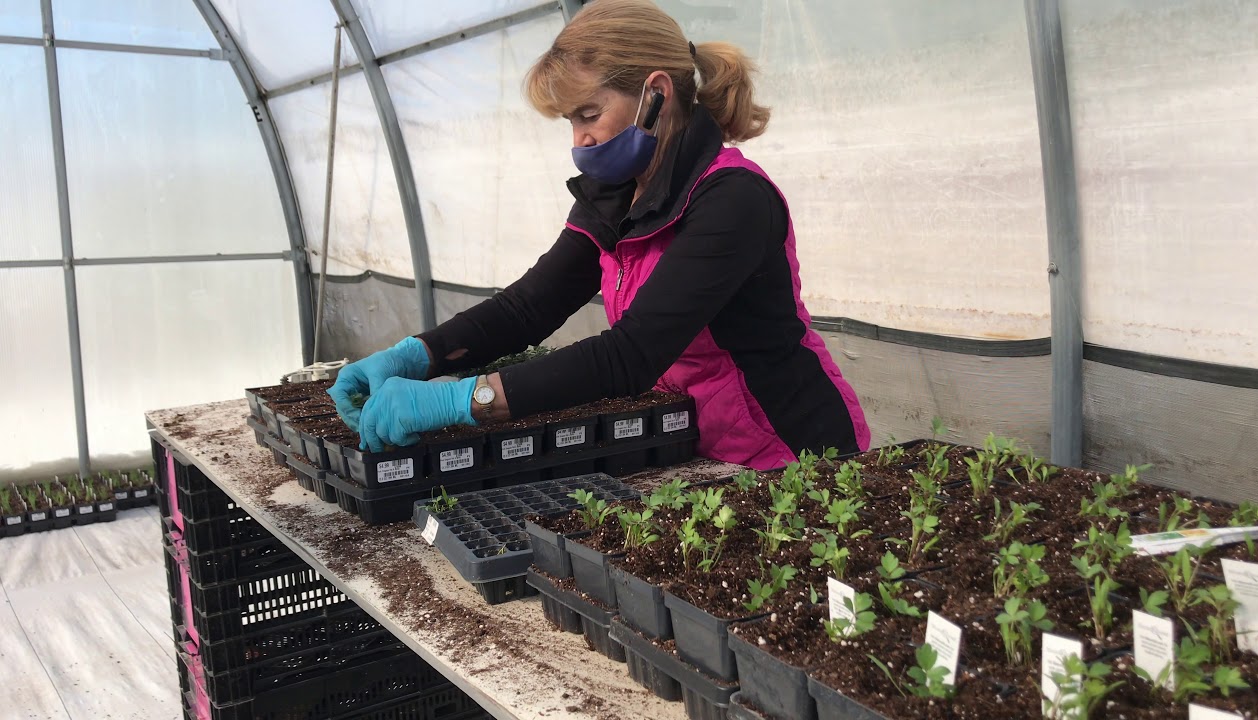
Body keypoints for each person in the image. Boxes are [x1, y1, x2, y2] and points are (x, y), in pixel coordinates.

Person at [329, 0, 870, 470]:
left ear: (655, 94)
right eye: (570, 121)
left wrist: (459, 402)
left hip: (789, 450)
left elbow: (631, 353)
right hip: (694, 445)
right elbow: (529, 308)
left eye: (589, 114)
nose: (579, 139)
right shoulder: (615, 192)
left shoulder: (733, 200)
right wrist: (418, 354)